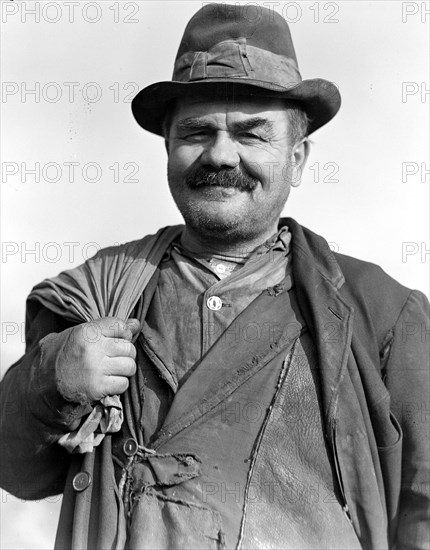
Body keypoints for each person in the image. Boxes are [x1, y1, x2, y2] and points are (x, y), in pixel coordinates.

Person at [1, 4, 428, 550]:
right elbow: (14, 469)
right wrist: (52, 378)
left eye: (252, 134)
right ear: (168, 151)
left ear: (296, 159)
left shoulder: (385, 313)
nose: (221, 155)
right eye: (197, 132)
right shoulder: (96, 298)